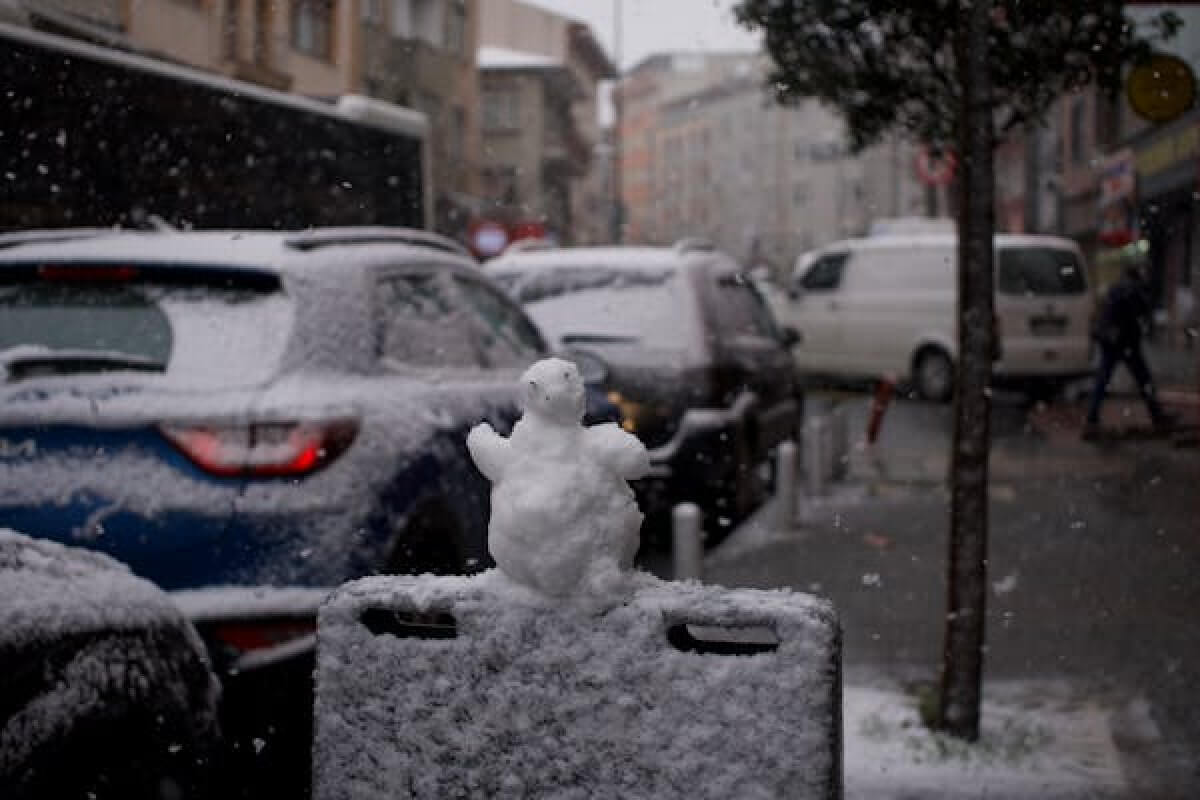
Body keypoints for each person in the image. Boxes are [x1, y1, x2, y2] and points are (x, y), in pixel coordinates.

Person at [1083, 264, 1174, 439]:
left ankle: (1092, 419)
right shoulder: (1133, 289)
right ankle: (1157, 415)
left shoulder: (1116, 288)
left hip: (1110, 337)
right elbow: (1140, 312)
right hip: (1123, 339)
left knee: (1103, 379)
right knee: (1143, 379)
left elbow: (1108, 312)